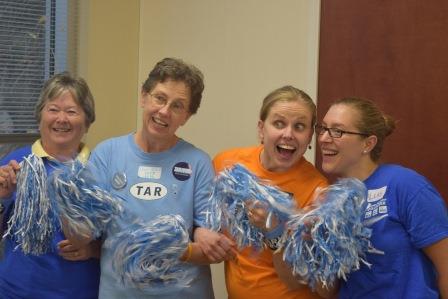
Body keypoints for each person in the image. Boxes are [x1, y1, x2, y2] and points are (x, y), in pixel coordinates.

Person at [89, 57, 234, 299]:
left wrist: (163, 248)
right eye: (160, 98)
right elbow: (88, 230)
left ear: (186, 116)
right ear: (143, 96)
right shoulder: (107, 154)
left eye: (178, 106)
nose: (164, 111)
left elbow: (211, 249)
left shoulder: (197, 162)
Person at [197, 85, 329, 299]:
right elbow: (203, 221)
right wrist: (200, 232)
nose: (288, 134)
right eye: (279, 123)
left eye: (299, 126)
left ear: (309, 136)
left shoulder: (317, 190)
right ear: (261, 129)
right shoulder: (226, 165)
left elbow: (299, 280)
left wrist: (275, 231)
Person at [316, 97, 448, 298]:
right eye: (323, 128)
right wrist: (317, 238)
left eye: (338, 131)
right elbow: (326, 291)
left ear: (368, 144)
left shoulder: (405, 185)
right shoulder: (332, 200)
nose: (324, 138)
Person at [0, 72, 100, 298]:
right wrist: (2, 198)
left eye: (72, 111)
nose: (61, 119)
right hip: (16, 292)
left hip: (81, 292)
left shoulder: (100, 170)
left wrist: (91, 250)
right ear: (40, 117)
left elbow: (117, 242)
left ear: (87, 122)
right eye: (53, 109)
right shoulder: (13, 163)